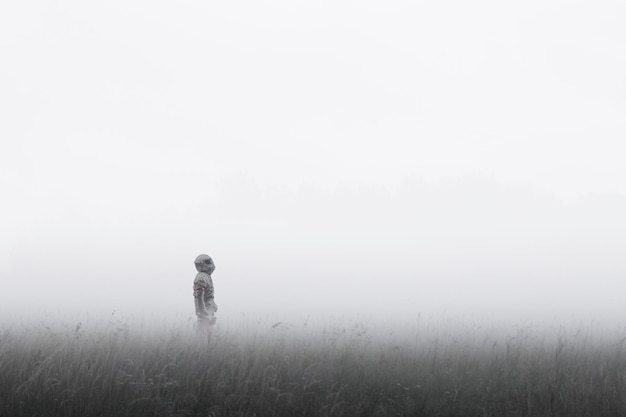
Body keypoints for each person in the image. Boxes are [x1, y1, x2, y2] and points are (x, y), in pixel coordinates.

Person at [193, 254, 218, 327]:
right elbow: (199, 298)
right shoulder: (201, 278)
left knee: (209, 334)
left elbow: (209, 295)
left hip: (209, 310)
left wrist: (213, 306)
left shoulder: (206, 276)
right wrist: (203, 313)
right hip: (205, 314)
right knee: (203, 334)